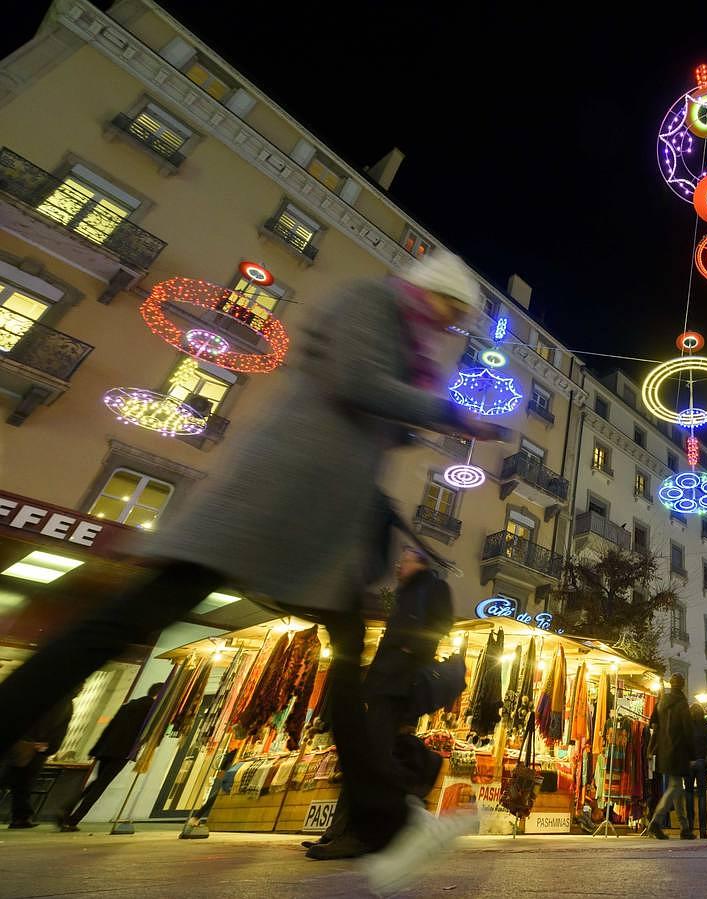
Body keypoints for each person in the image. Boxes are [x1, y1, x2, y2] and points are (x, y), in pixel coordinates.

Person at [0, 250, 506, 895]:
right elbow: (354, 381)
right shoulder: (370, 301)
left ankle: (386, 825)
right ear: (426, 291)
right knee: (125, 621)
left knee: (345, 663)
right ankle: (388, 826)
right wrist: (454, 415)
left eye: (456, 316)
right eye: (447, 306)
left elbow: (369, 411)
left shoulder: (401, 337)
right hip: (278, 500)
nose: (447, 322)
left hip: (315, 517)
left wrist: (412, 413)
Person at [307, 544, 455, 860]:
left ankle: (363, 832)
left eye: (405, 559)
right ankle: (342, 830)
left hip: (399, 685)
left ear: (420, 562)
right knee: (365, 755)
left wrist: (410, 651)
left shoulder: (433, 587)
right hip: (384, 684)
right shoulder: (407, 593)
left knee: (368, 756)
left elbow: (441, 624)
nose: (399, 565)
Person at [60, 683, 163, 832]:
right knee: (100, 785)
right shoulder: (153, 710)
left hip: (106, 749)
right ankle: (72, 819)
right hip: (123, 751)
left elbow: (109, 727)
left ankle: (67, 809)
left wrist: (97, 748)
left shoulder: (128, 705)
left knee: (97, 782)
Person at [2, 696, 72, 828]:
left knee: (10, 779)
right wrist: (49, 747)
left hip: (18, 744)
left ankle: (21, 817)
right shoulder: (66, 705)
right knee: (24, 784)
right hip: (37, 748)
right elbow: (59, 730)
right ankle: (21, 818)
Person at [650, 674, 694, 839]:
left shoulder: (661, 702)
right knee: (675, 787)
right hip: (678, 750)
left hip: (664, 750)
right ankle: (656, 822)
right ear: (682, 685)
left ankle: (685, 828)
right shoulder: (682, 704)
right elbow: (688, 730)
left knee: (677, 788)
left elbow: (654, 724)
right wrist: (692, 753)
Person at [685, 703, 707, 839]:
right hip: (702, 763)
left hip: (689, 763)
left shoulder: (686, 727)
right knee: (702, 796)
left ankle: (690, 828)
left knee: (689, 795)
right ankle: (703, 830)